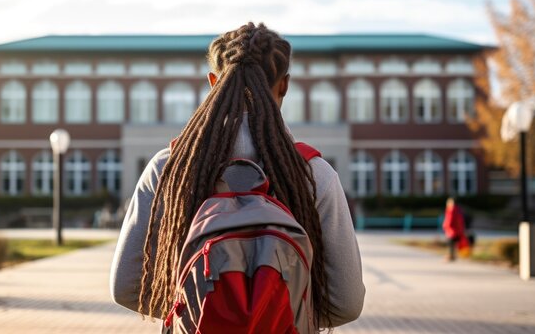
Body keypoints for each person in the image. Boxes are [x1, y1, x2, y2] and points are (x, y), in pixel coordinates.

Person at [110, 22, 365, 331]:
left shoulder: (170, 170)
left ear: (213, 82)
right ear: (284, 85)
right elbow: (346, 303)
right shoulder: (313, 175)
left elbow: (125, 287)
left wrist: (195, 311)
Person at [442, 197, 467, 261]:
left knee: (450, 244)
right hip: (458, 230)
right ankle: (453, 255)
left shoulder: (451, 210)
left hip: (452, 230)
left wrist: (445, 226)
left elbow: (449, 220)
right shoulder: (458, 210)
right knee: (454, 244)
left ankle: (451, 256)